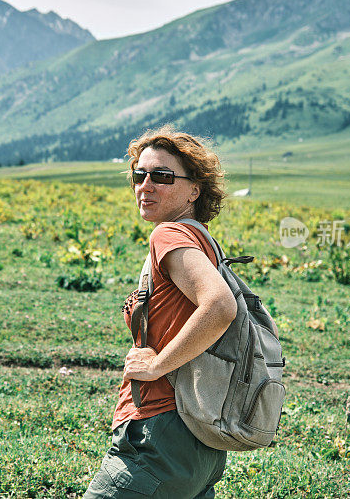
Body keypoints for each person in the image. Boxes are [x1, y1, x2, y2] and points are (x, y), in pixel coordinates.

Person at [84, 126, 237, 498]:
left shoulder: (168, 235)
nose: (145, 185)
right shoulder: (204, 240)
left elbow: (219, 306)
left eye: (162, 176)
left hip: (159, 434)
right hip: (200, 442)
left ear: (194, 190)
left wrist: (155, 366)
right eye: (140, 174)